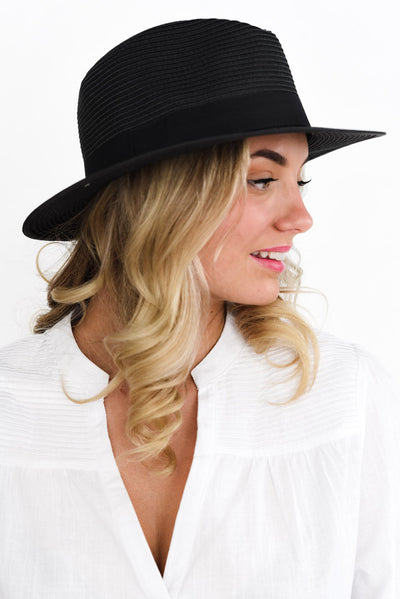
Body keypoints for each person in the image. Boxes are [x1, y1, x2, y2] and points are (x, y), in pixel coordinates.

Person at [0, 17, 398, 599]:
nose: (301, 217)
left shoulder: (343, 399)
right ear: (163, 197)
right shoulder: (10, 412)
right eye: (262, 179)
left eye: (300, 181)